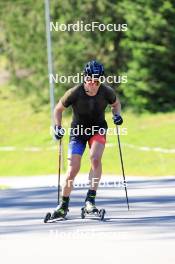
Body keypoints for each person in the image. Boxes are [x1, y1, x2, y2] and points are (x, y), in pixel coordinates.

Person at [52, 60, 123, 218]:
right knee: (72, 169)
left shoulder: (106, 91)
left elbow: (116, 104)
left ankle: (90, 201)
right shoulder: (75, 92)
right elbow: (58, 109)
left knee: (95, 159)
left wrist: (117, 116)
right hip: (78, 132)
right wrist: (57, 126)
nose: (93, 85)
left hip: (98, 129)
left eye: (97, 81)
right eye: (90, 80)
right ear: (85, 78)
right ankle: (63, 205)